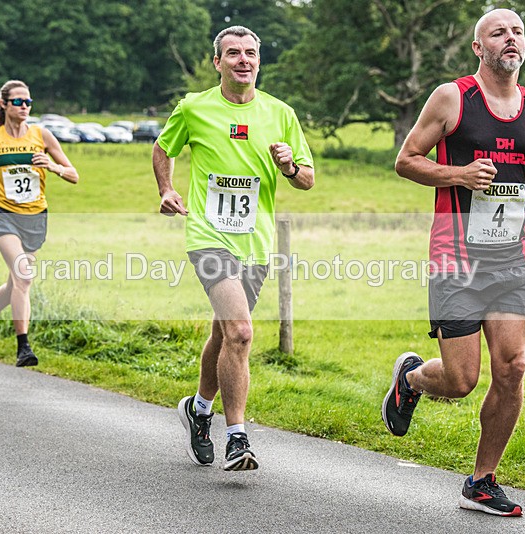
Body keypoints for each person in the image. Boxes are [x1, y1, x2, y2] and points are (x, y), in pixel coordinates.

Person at [388, 9, 525, 516]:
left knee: (513, 368)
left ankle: (482, 481)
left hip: (514, 259)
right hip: (456, 259)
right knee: (461, 381)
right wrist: (460, 174)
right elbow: (406, 160)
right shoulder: (453, 97)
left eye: (517, 32)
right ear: (478, 47)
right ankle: (411, 379)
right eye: (499, 32)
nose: (511, 39)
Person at [153, 26, 314, 471]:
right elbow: (163, 147)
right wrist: (167, 189)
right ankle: (237, 437)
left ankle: (198, 410)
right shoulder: (194, 107)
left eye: (250, 53)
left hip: (255, 243)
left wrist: (290, 166)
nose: (243, 59)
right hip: (208, 235)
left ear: (259, 61)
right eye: (233, 53)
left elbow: (307, 179)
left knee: (225, 333)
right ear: (217, 62)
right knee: (241, 331)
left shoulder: (281, 114)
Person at [0, 80, 78, 367]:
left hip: (35, 217)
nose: (24, 107)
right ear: (4, 104)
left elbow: (73, 175)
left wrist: (52, 166)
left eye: (28, 102)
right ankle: (24, 347)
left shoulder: (42, 135)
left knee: (15, 283)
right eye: (18, 102)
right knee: (24, 276)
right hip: (3, 215)